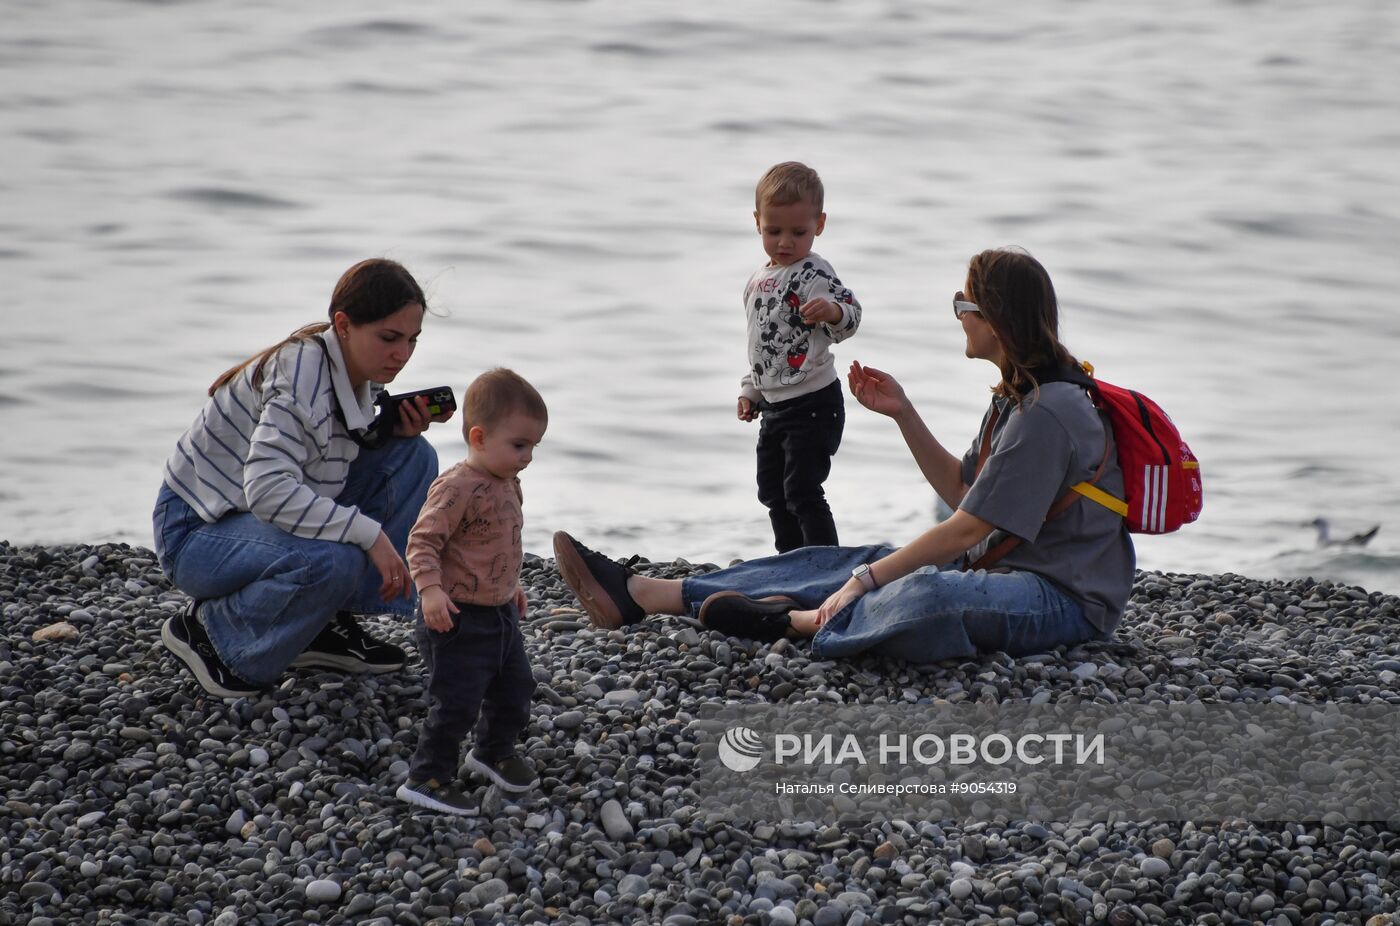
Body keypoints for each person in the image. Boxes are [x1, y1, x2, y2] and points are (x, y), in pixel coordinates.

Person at [554, 248, 1135, 664]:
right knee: (840, 560)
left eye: (966, 302)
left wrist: (862, 583)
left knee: (921, 591)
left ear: (998, 319)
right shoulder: (1018, 396)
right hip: (1000, 566)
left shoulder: (1049, 413)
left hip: (1061, 600)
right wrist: (903, 412)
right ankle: (650, 594)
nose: (957, 313)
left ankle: (794, 623)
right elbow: (965, 490)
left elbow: (964, 530)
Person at [154, 258, 450, 698]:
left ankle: (317, 623)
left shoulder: (356, 375)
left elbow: (326, 454)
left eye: (411, 340)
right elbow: (269, 490)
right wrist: (370, 536)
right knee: (334, 559)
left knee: (413, 456)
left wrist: (387, 432)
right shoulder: (300, 375)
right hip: (196, 532)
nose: (402, 355)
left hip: (249, 519)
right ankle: (210, 632)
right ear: (344, 325)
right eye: (389, 338)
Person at [397, 369, 547, 815]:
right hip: (456, 617)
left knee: (515, 688)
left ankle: (492, 751)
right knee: (457, 701)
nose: (528, 457)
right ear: (479, 437)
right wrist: (430, 591)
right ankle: (427, 776)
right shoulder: (456, 487)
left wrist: (510, 583)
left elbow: (496, 543)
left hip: (499, 612)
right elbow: (422, 542)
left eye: (534, 447)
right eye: (520, 445)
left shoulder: (507, 482)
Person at [738, 161, 862, 553]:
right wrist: (751, 392)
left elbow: (852, 316)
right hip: (775, 407)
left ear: (819, 225)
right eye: (774, 231)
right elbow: (761, 348)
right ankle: (790, 559)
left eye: (798, 232)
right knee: (772, 491)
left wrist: (832, 311)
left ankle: (825, 563)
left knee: (803, 489)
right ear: (757, 222)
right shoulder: (757, 282)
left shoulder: (814, 273)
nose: (785, 242)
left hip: (813, 404)